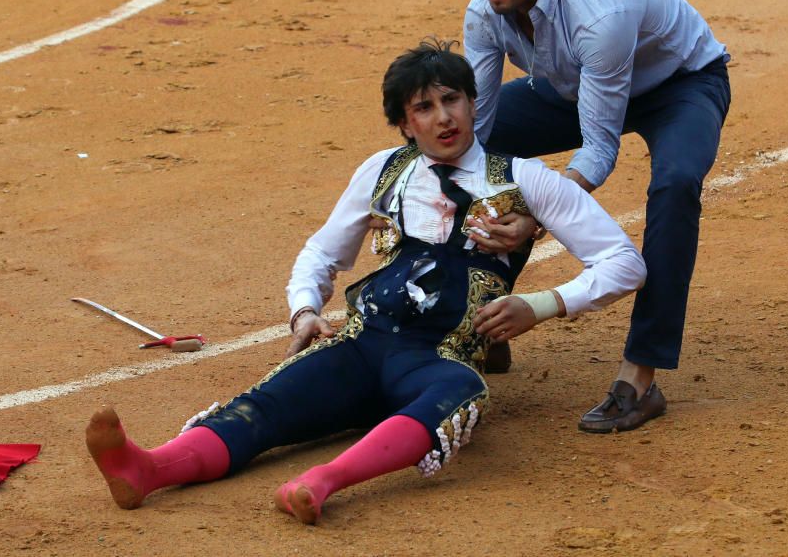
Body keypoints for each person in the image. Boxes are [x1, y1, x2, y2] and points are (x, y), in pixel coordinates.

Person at [85, 40, 646, 525]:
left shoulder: (527, 179)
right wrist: (304, 310)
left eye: (452, 99)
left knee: (463, 393)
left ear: (474, 104)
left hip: (437, 357)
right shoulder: (383, 170)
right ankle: (148, 468)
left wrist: (543, 304)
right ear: (406, 123)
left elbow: (624, 262)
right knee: (264, 408)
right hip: (361, 342)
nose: (444, 117)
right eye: (424, 107)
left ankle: (322, 482)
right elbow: (323, 252)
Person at [457, 0, 731, 433]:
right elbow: (476, 130)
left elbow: (599, 147)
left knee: (675, 186)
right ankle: (481, 320)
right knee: (466, 149)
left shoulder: (598, 13)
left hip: (679, 86)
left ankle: (640, 378)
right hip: (572, 87)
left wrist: (534, 216)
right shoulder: (485, 12)